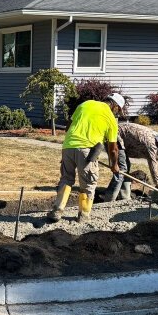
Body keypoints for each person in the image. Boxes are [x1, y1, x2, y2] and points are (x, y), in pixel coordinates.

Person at [47, 93, 123, 223]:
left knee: (66, 179)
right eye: (119, 110)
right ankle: (83, 216)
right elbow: (113, 148)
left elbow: (68, 127)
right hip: (87, 151)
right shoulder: (110, 118)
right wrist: (114, 165)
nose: (117, 112)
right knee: (88, 184)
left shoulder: (85, 104)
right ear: (115, 106)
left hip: (68, 146)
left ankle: (57, 210)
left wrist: (72, 153)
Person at [103, 122, 158, 201]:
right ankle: (109, 199)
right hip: (114, 136)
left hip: (120, 137)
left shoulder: (156, 138)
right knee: (121, 169)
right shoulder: (150, 143)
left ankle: (125, 197)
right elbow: (153, 165)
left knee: (125, 167)